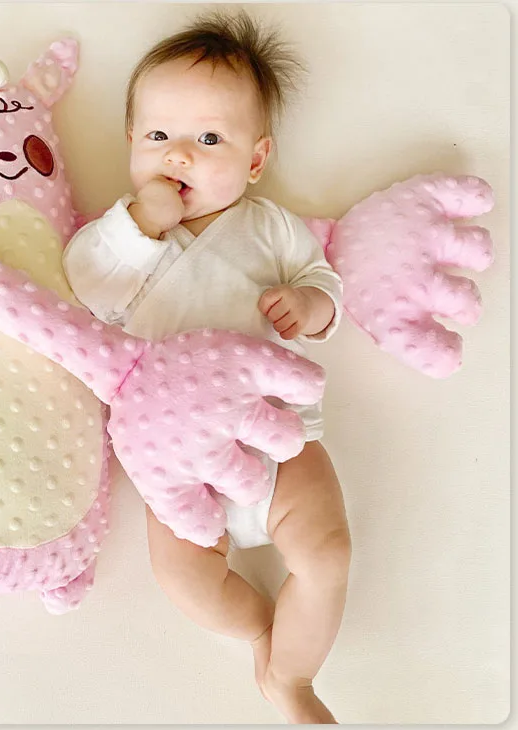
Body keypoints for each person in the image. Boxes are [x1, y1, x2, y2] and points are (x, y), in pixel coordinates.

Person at [63, 10, 351, 724]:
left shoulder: (270, 227)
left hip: (277, 438)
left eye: (210, 139)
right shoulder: (119, 237)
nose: (180, 157)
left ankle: (293, 678)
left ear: (255, 160)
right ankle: (259, 630)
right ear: (131, 142)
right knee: (186, 579)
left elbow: (324, 281)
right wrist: (141, 223)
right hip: (179, 463)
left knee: (327, 554)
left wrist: (309, 304)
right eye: (159, 137)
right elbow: (86, 285)